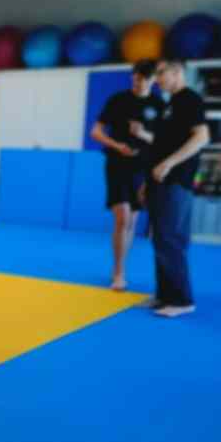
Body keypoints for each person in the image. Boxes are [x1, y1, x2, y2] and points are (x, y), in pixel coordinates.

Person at [90, 60, 165, 291]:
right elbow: (95, 132)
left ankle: (122, 266)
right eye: (134, 79)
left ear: (153, 80)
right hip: (117, 164)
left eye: (142, 79)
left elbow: (164, 142)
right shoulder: (118, 100)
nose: (137, 83)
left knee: (131, 221)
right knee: (122, 217)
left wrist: (142, 134)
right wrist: (116, 145)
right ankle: (118, 273)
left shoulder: (159, 105)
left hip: (143, 168)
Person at [145, 59, 210, 317]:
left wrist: (169, 163)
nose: (157, 79)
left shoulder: (189, 99)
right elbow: (162, 144)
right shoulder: (169, 104)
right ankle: (164, 296)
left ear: (177, 72)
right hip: (159, 181)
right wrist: (147, 182)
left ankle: (182, 301)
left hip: (177, 180)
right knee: (161, 239)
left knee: (171, 239)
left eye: (161, 73)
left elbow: (202, 137)